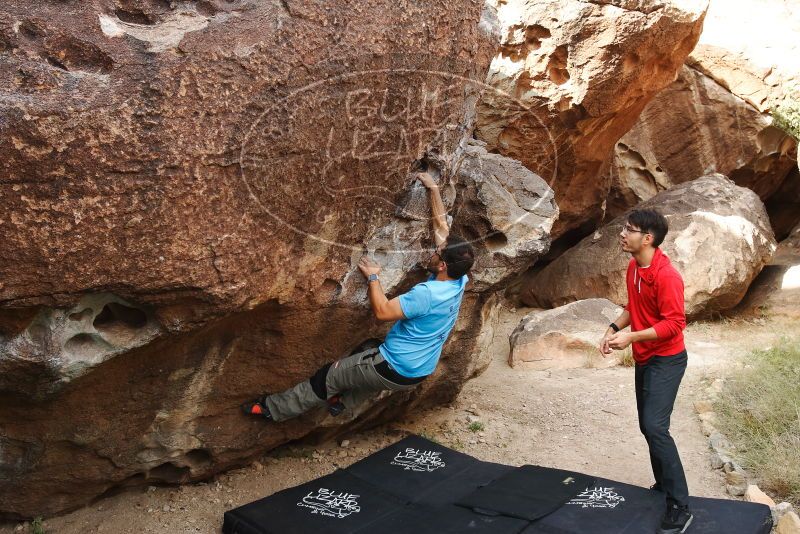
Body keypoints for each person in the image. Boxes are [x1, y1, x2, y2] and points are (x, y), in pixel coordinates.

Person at [242, 171, 474, 422]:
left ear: (442, 266)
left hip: (395, 367)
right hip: (419, 371)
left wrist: (374, 277)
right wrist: (434, 189)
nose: (433, 253)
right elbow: (442, 228)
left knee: (330, 376)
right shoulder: (459, 280)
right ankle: (342, 403)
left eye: (437, 254)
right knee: (368, 348)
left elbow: (383, 312)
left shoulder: (427, 294)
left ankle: (271, 409)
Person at [599, 209, 692, 534]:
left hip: (667, 359)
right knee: (647, 426)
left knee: (655, 426)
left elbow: (674, 324)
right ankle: (664, 484)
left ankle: (680, 505)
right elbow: (633, 307)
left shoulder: (667, 276)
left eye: (631, 230)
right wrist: (613, 328)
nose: (623, 234)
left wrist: (631, 337)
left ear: (648, 238)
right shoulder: (634, 267)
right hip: (645, 357)